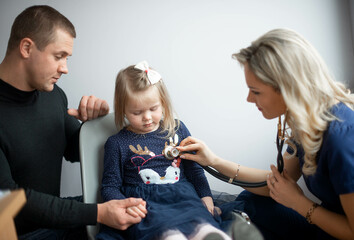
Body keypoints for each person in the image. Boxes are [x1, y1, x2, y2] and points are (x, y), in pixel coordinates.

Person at [178, 28, 354, 240]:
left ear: (288, 88)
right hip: (320, 222)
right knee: (251, 201)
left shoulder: (341, 141)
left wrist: (299, 203)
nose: (249, 99)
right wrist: (213, 160)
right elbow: (274, 183)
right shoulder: (308, 121)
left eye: (256, 91)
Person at [0, 5, 147, 240]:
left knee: (142, 204)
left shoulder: (53, 94)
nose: (65, 68)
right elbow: (7, 200)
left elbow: (74, 150)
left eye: (67, 58)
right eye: (59, 56)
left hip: (54, 221)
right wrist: (97, 213)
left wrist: (93, 125)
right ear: (26, 47)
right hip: (17, 233)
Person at [96, 61, 231, 240]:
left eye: (153, 109)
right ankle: (170, 236)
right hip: (145, 203)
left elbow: (194, 168)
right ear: (123, 110)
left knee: (199, 218)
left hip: (182, 196)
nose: (147, 117)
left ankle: (208, 233)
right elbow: (110, 186)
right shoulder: (117, 143)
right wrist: (126, 205)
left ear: (163, 103)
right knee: (158, 227)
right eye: (137, 112)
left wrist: (206, 195)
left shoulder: (178, 129)